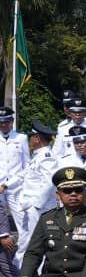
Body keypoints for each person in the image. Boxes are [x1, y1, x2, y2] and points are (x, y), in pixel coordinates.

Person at [15, 120, 57, 261]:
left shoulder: (46, 157)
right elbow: (26, 174)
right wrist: (7, 185)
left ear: (37, 138)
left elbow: (48, 182)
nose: (30, 141)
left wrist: (36, 205)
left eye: (31, 137)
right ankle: (18, 270)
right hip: (30, 205)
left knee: (38, 239)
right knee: (25, 239)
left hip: (39, 207)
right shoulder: (38, 155)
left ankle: (38, 272)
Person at [0, 107, 29, 252]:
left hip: (15, 187)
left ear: (12, 122)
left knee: (23, 224)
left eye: (6, 122)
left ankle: (21, 259)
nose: (4, 125)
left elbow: (27, 166)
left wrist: (8, 184)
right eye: (1, 122)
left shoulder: (21, 138)